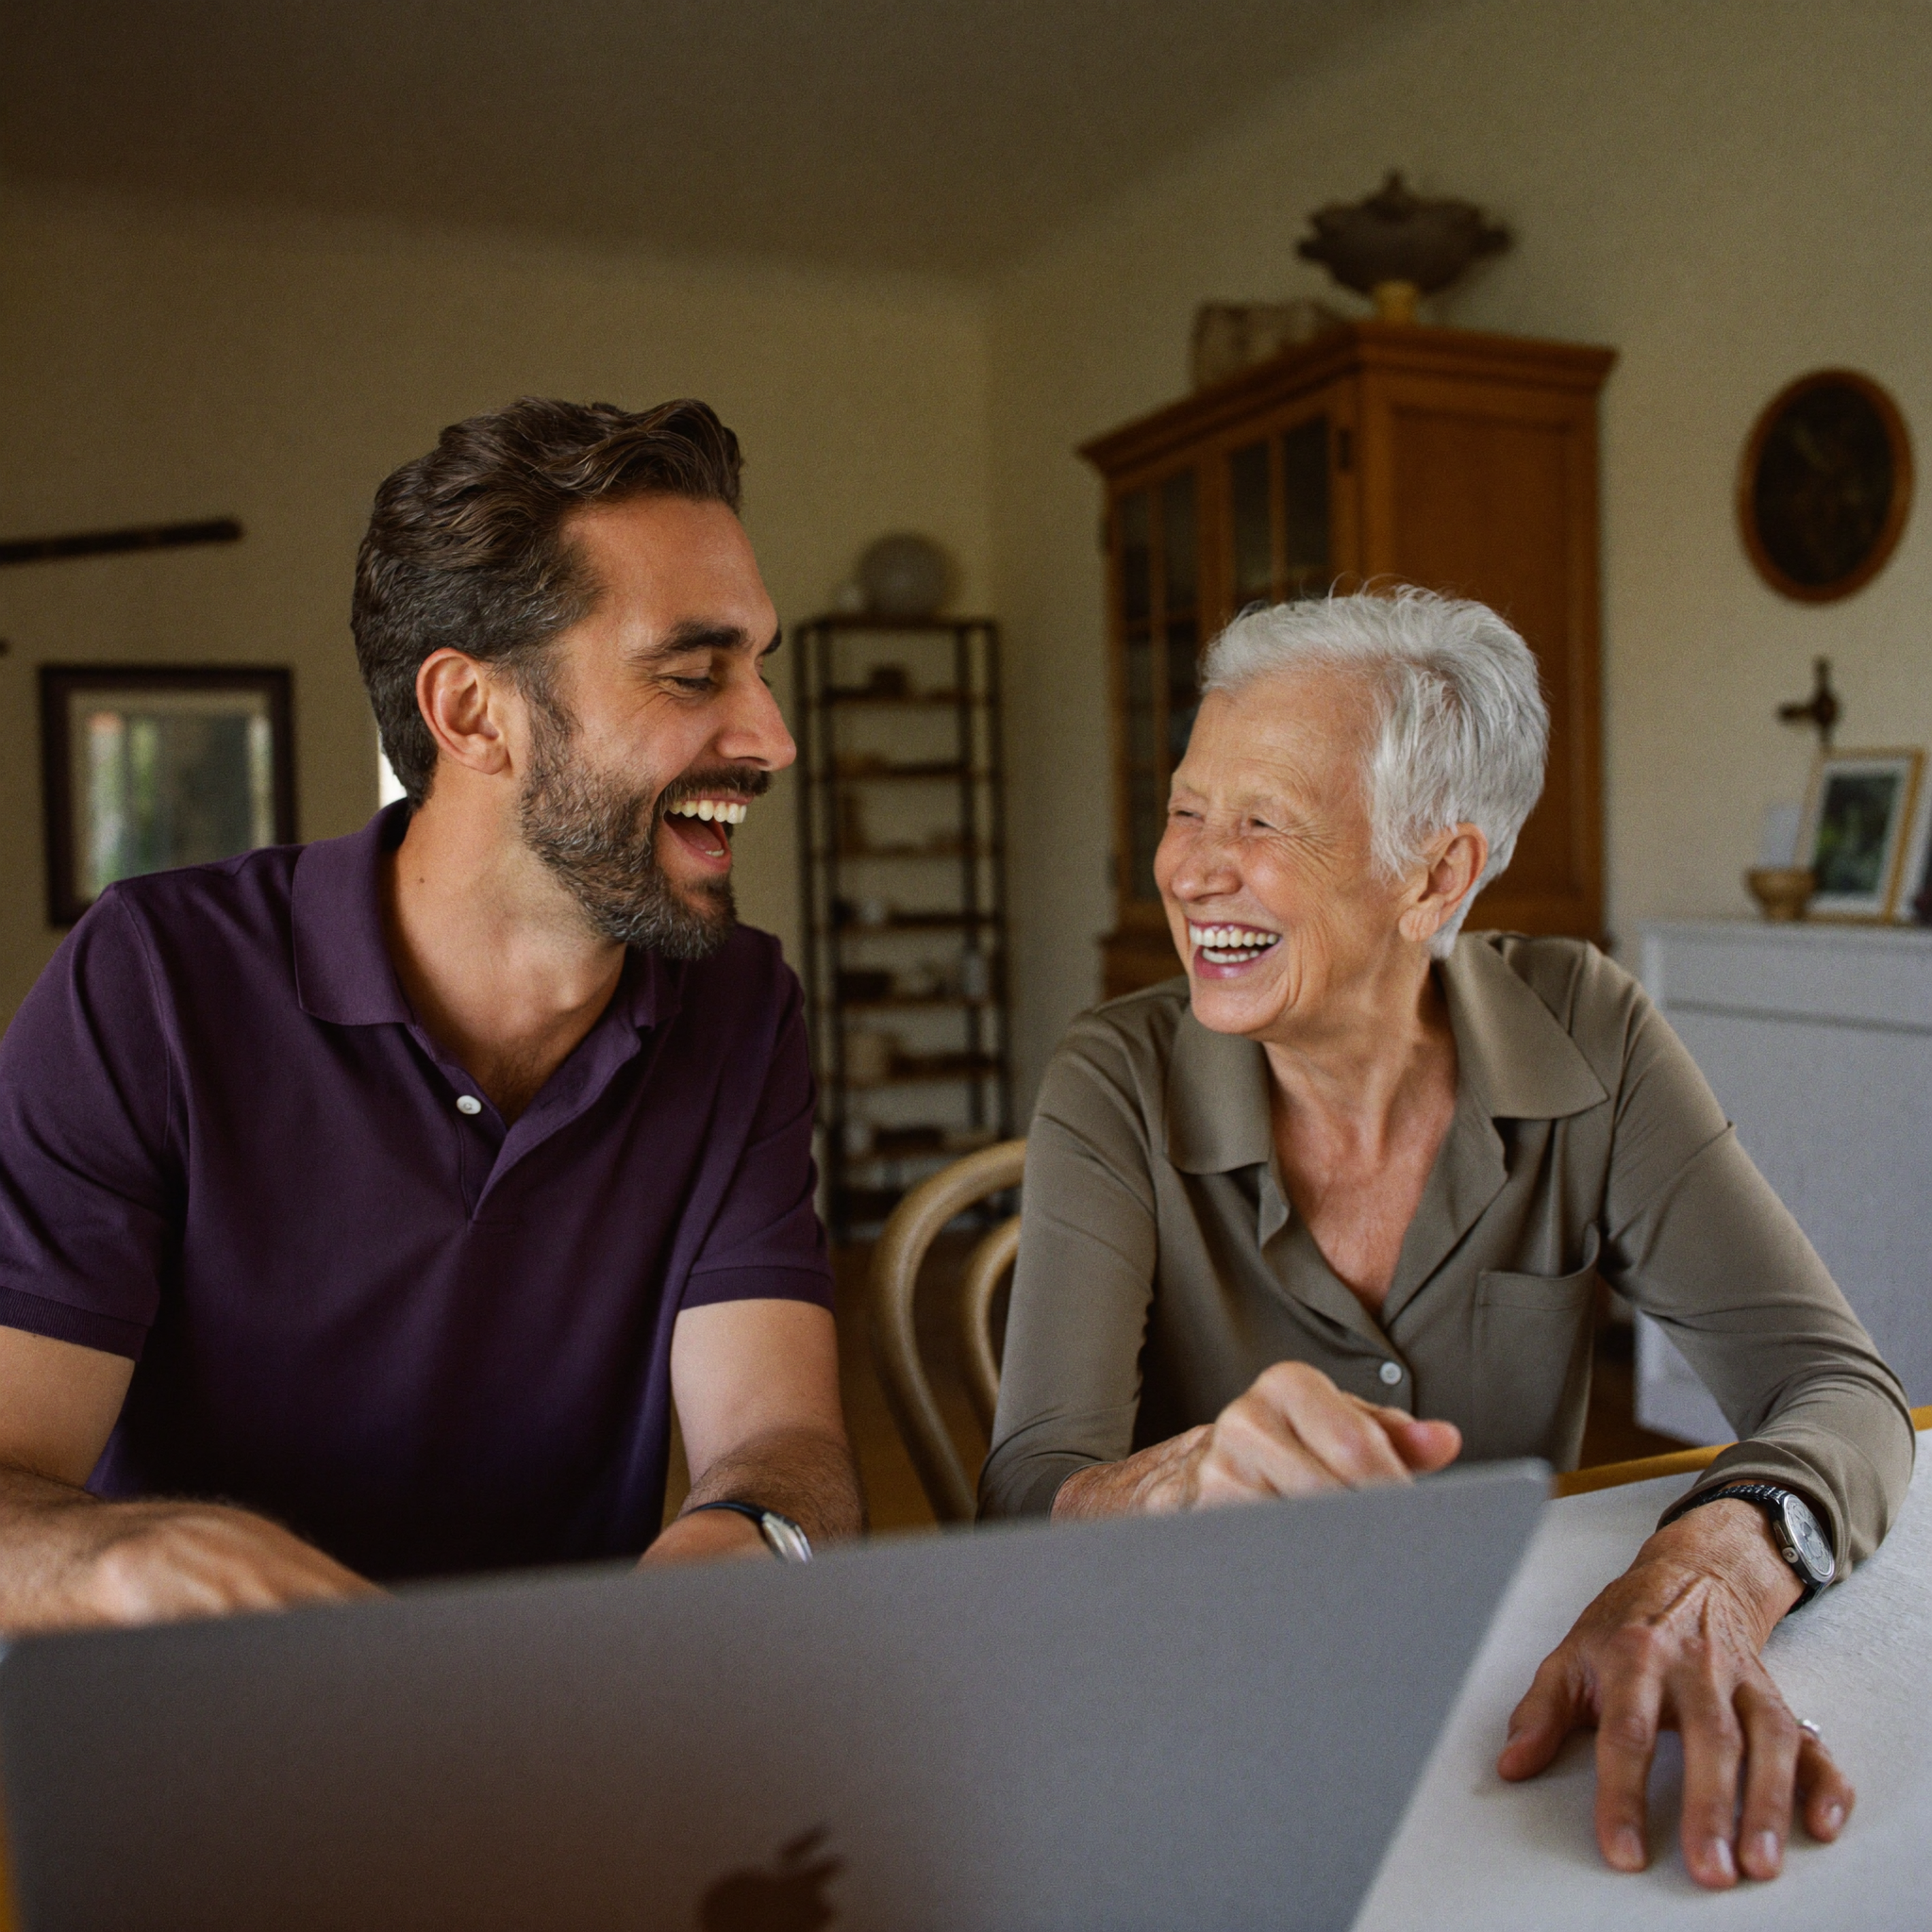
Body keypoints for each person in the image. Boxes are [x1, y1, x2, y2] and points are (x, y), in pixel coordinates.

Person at [981, 588, 1913, 1891]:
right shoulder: (1114, 1078)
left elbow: (1839, 1387)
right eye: (1188, 809)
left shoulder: (1586, 1027)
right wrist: (1167, 1487)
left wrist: (1716, 1559)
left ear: (1436, 876)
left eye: (1262, 822)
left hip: (1510, 1708)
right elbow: (1029, 1488)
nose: (1190, 869)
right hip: (1215, 1712)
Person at [0, 396, 861, 1630]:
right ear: (469, 713)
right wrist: (123, 1562)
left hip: (574, 1701)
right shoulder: (150, 980)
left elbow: (782, 1441)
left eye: (759, 666)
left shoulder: (740, 1005)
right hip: (212, 1710)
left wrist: (737, 1548)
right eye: (692, 674)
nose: (773, 738)